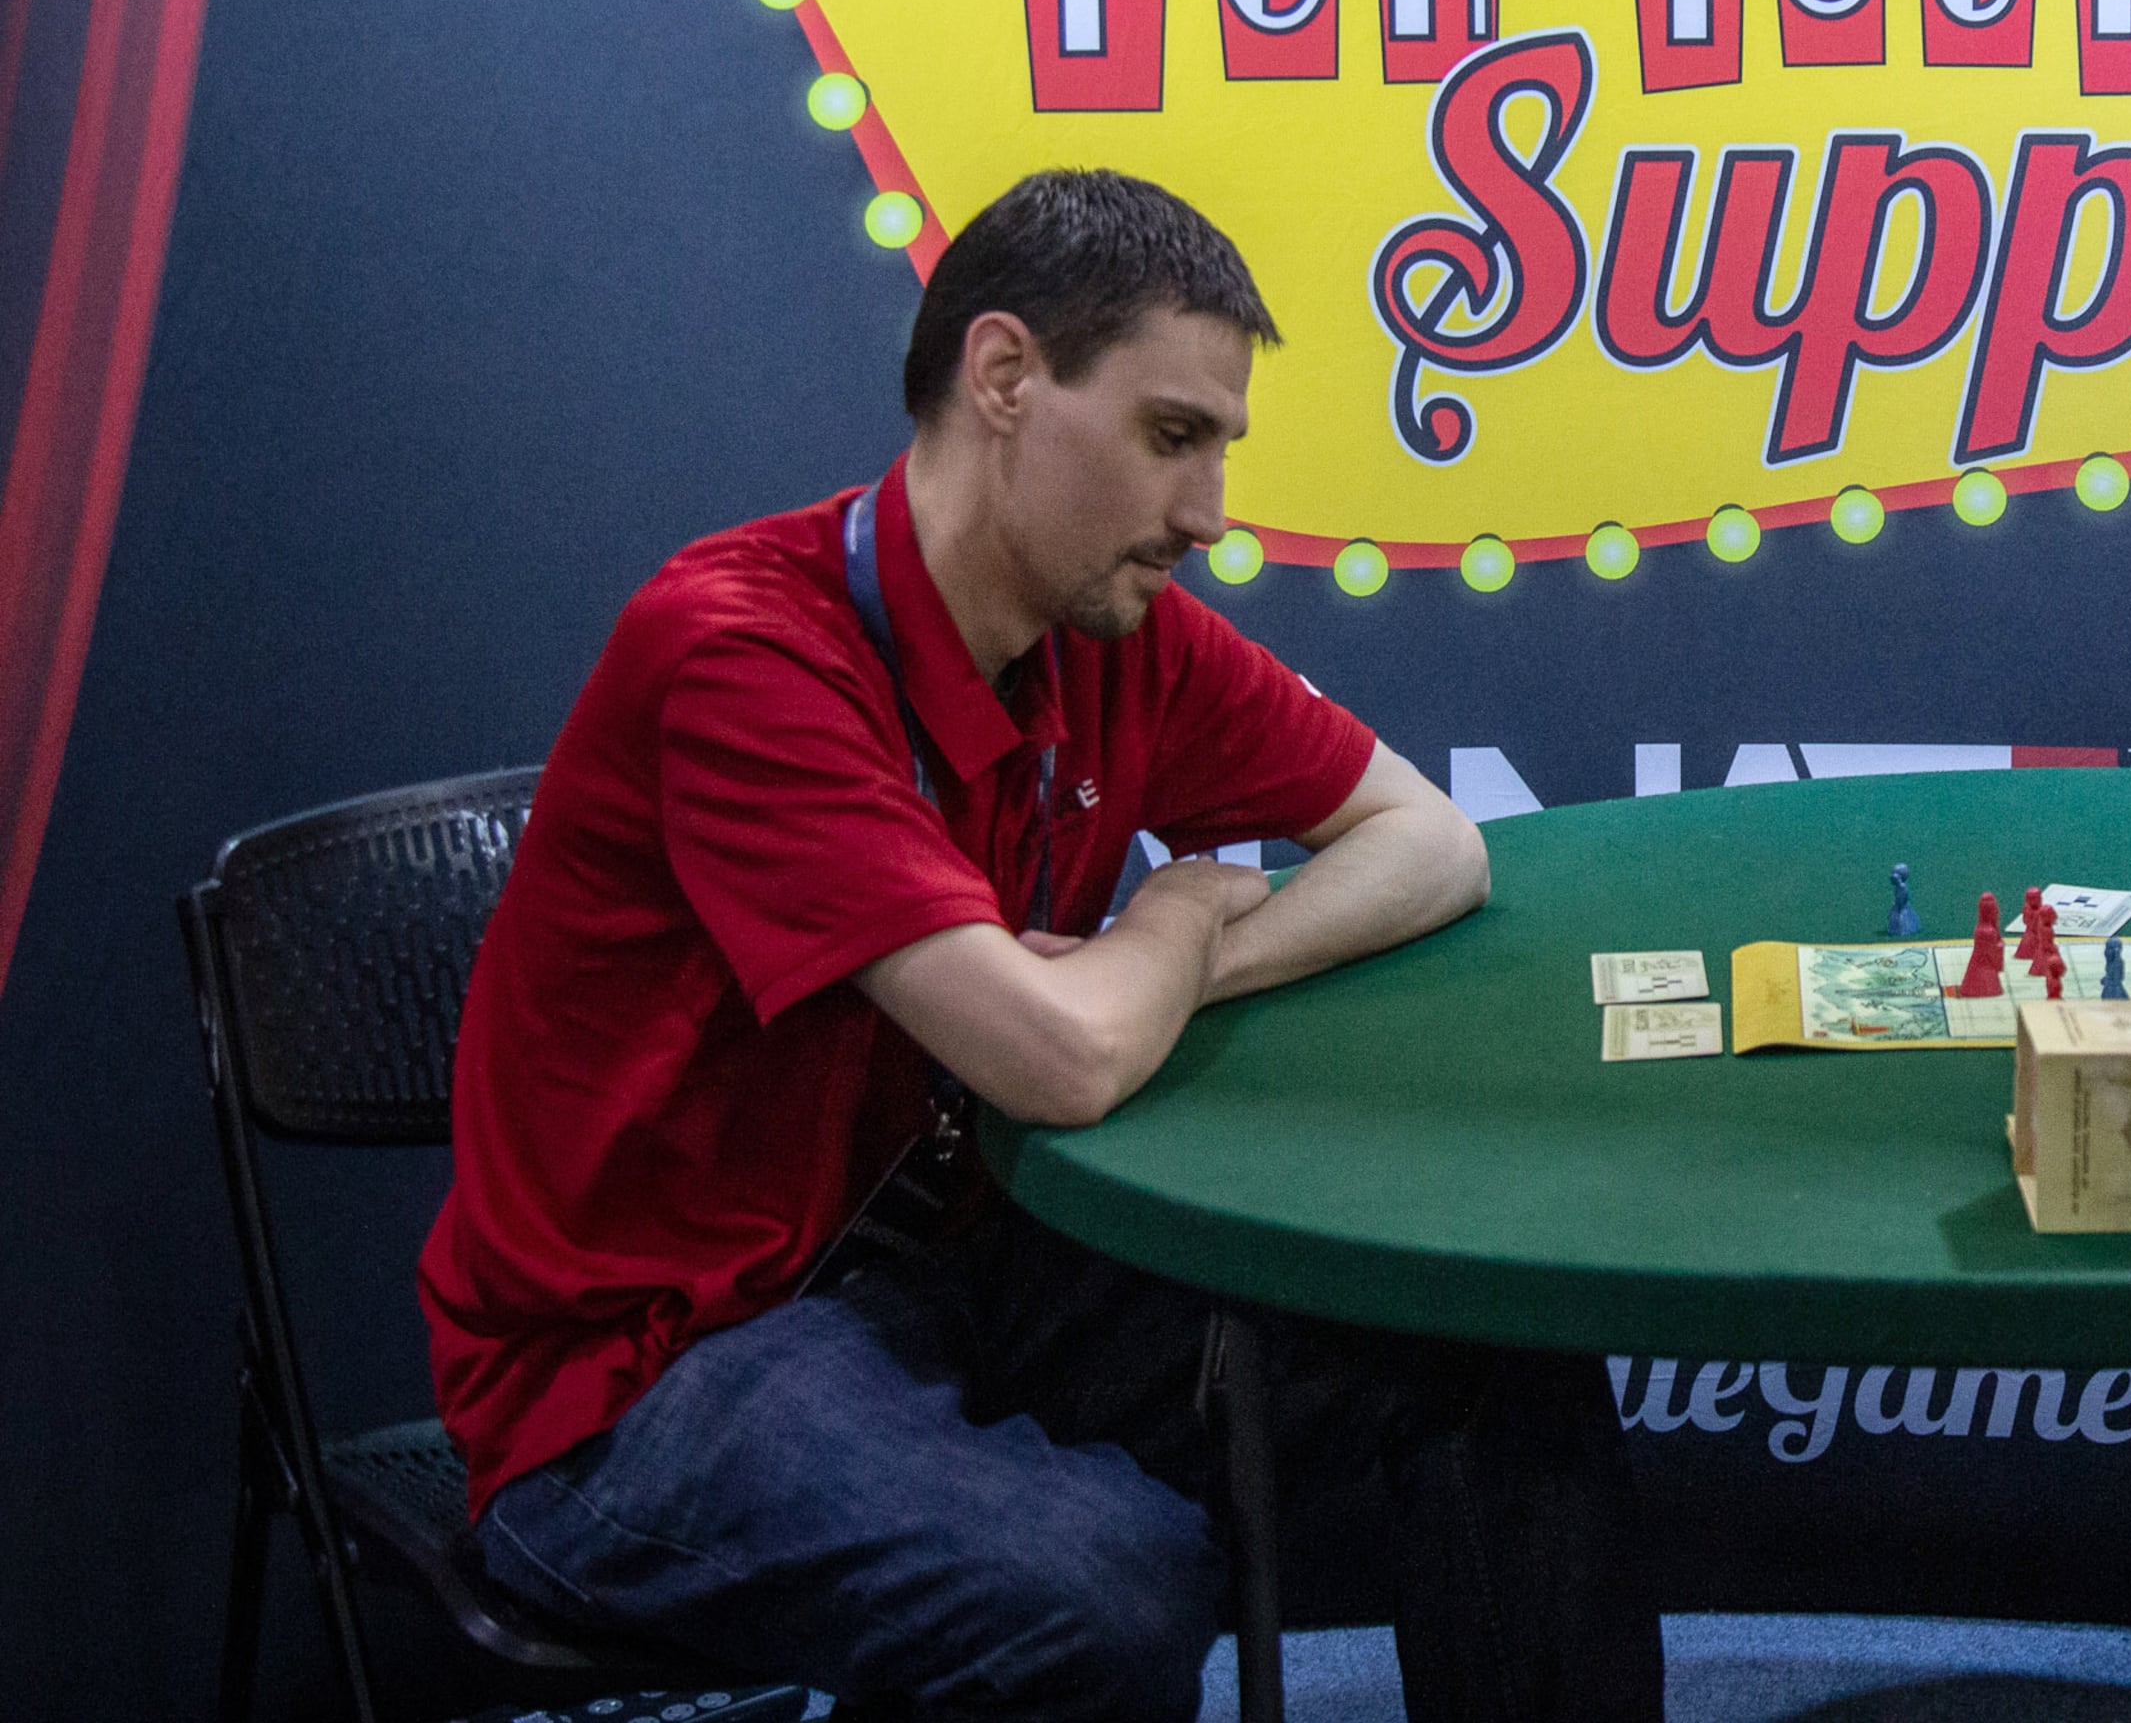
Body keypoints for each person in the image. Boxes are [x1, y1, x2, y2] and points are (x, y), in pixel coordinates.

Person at [421, 169, 1661, 1723]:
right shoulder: (741, 650)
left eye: (1219, 448)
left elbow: (1431, 845)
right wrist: (1167, 910)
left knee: (1480, 1338)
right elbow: (1062, 1059)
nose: (1207, 515)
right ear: (1004, 376)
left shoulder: (1108, 627)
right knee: (1099, 1590)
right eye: (1168, 438)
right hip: (651, 1374)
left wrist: (1193, 962)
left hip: (952, 1268)